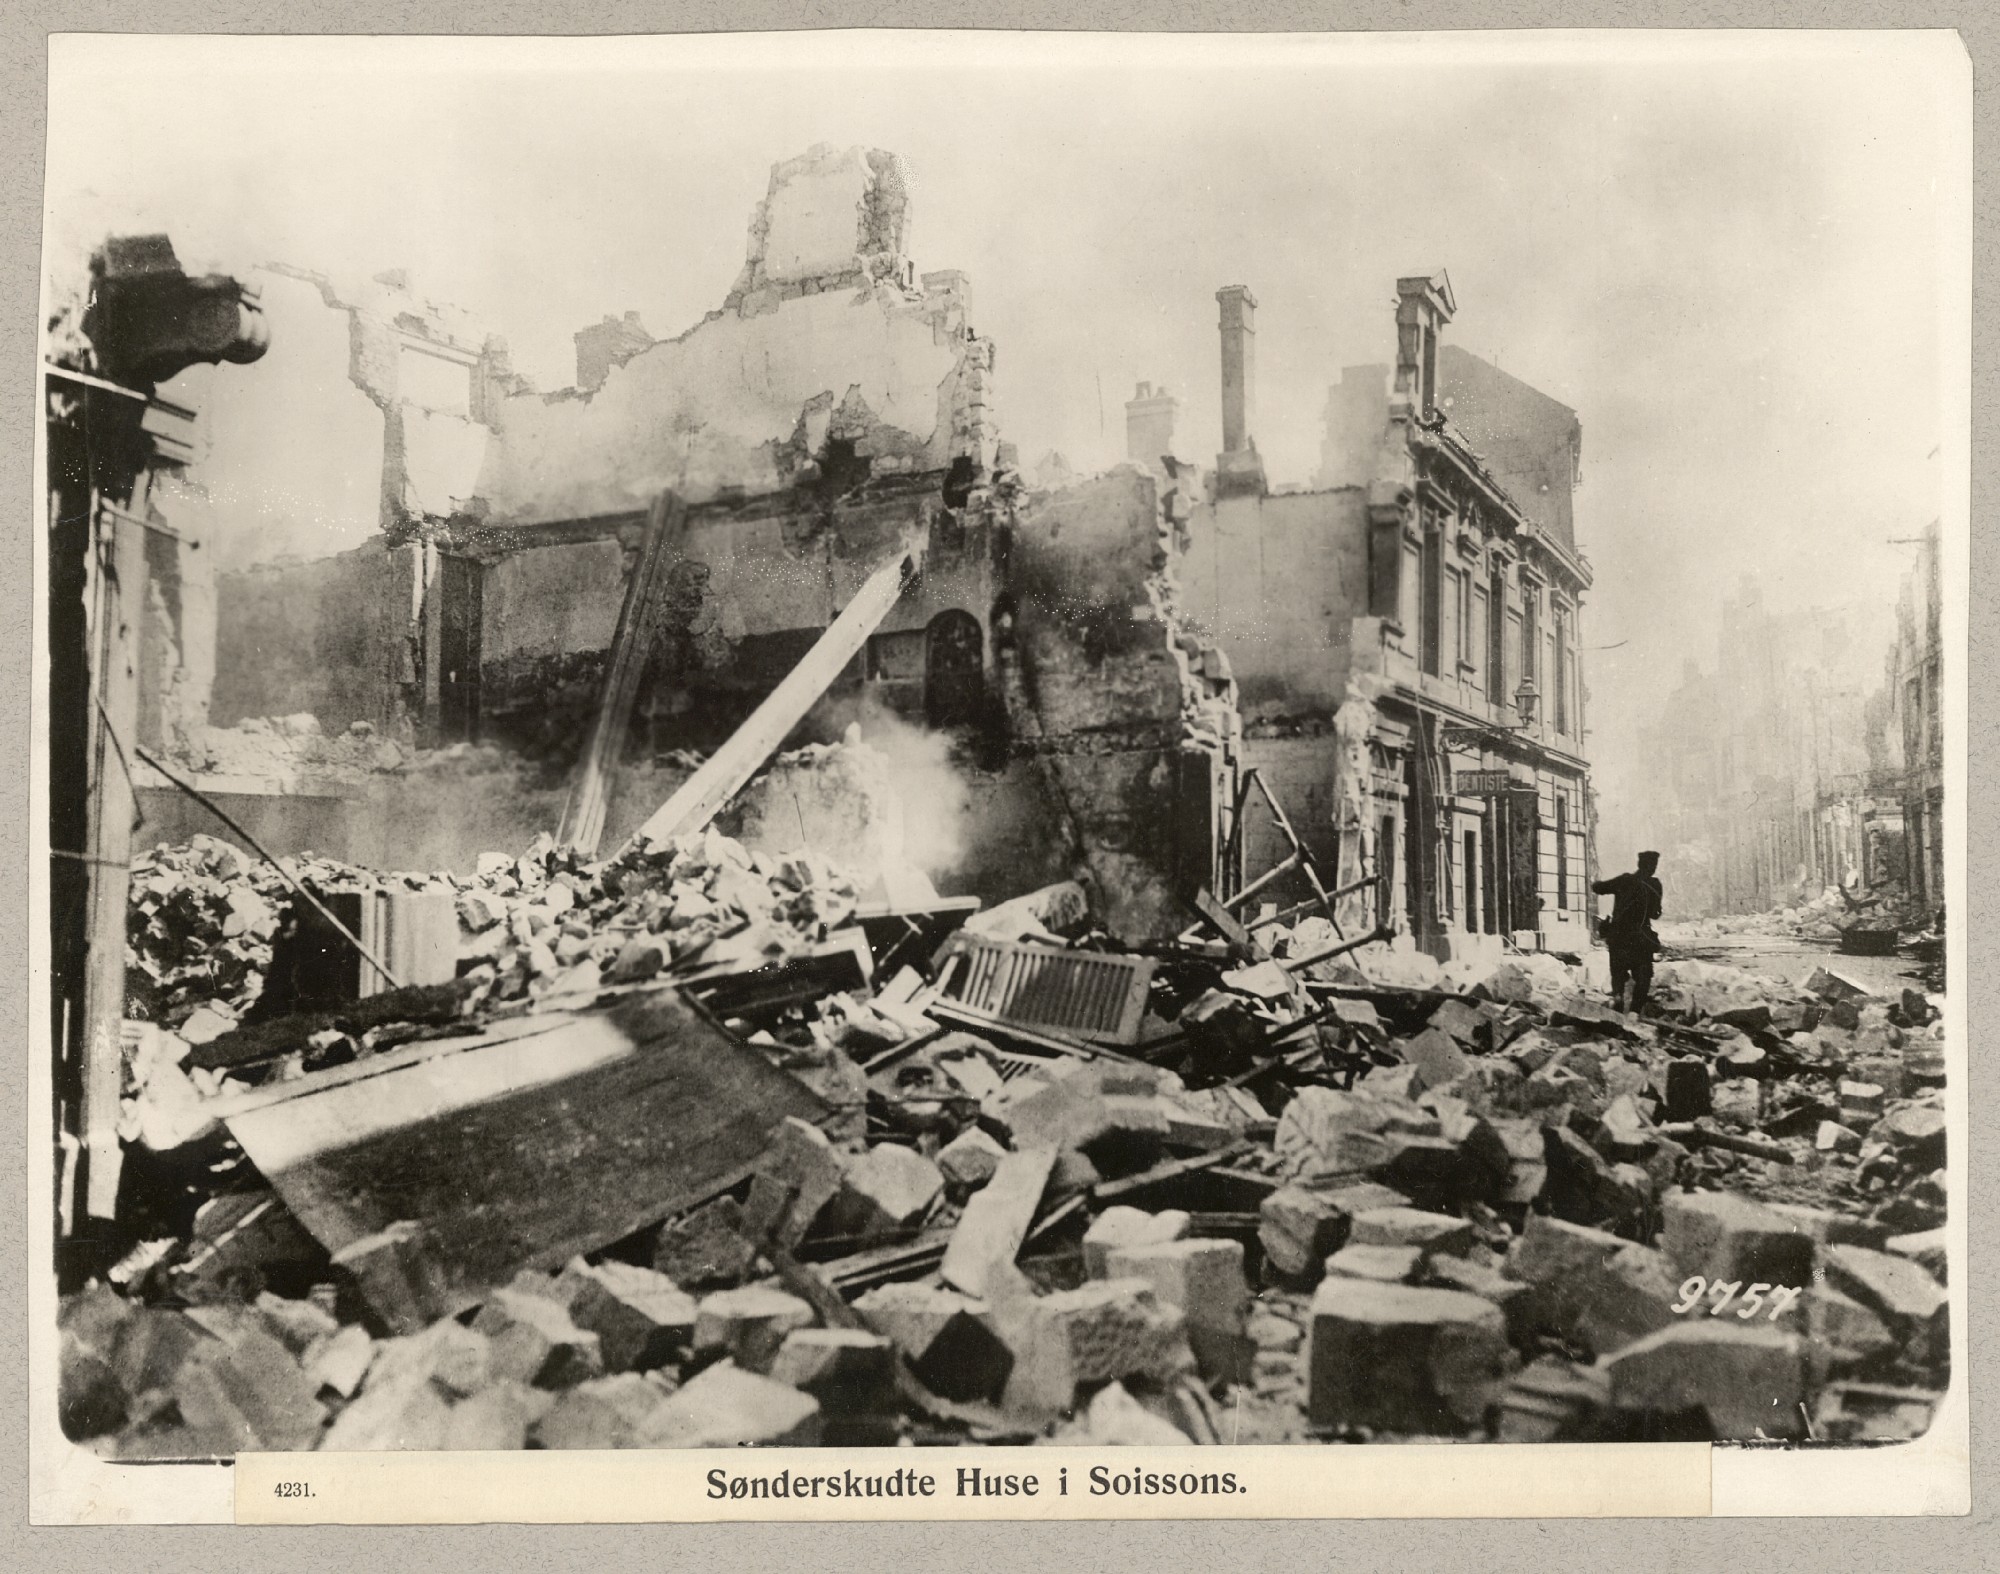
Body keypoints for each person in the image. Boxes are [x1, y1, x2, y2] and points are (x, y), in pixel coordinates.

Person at [1594, 850, 1664, 1014]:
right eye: (1654, 866)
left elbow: (1598, 888)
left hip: (1618, 937)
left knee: (1618, 977)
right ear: (1652, 867)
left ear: (1639, 864)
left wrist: (1594, 881)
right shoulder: (1654, 885)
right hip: (1640, 938)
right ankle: (1635, 1013)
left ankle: (1617, 1010)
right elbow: (1655, 914)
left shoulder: (1624, 880)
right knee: (1643, 979)